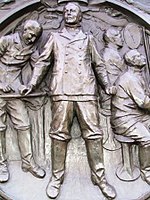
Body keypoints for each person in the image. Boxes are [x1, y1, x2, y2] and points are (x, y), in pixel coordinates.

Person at [23, 3, 116, 199]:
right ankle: (56, 178)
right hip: (62, 91)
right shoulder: (55, 38)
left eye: (73, 10)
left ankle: (99, 178)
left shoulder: (88, 39)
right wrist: (31, 84)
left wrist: (106, 84)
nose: (69, 13)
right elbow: (43, 62)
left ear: (80, 16)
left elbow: (98, 65)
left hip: (87, 92)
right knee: (58, 135)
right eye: (66, 11)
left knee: (94, 135)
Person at [0, 19, 46, 182]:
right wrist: (1, 83)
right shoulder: (6, 40)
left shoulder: (32, 48)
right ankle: (1, 164)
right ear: (24, 30)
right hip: (0, 87)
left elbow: (39, 65)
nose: (32, 40)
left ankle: (27, 162)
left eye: (35, 37)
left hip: (14, 89)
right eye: (31, 35)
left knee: (24, 125)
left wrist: (29, 86)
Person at [111, 49, 150, 185]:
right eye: (138, 56)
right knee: (147, 139)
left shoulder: (139, 76)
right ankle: (147, 171)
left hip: (138, 116)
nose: (142, 56)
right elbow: (144, 102)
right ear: (132, 62)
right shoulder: (129, 79)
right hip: (125, 119)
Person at [101, 27, 124, 150]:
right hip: (111, 92)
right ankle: (108, 140)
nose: (122, 39)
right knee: (108, 115)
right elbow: (124, 72)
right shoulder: (110, 54)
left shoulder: (111, 53)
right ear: (112, 39)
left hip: (113, 91)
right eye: (119, 36)